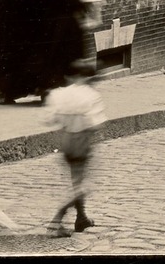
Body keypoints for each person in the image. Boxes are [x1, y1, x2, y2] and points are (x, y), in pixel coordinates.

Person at [46, 63, 104, 237]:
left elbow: (50, 119)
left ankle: (81, 217)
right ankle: (56, 222)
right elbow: (95, 123)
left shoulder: (60, 94)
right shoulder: (89, 95)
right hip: (82, 140)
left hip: (66, 140)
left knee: (76, 182)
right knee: (83, 186)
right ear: (84, 76)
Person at [37, 0, 89, 98]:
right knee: (66, 60)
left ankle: (48, 89)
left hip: (50, 32)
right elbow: (82, 11)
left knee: (51, 60)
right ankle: (65, 90)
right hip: (69, 33)